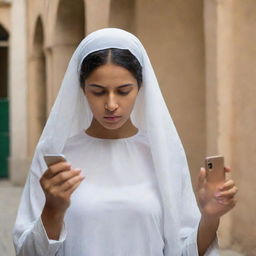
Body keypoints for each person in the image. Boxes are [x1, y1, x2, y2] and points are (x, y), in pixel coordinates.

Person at [12, 28, 238, 256]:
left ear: (140, 87)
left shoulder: (161, 155)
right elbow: (26, 252)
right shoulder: (58, 159)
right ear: (83, 90)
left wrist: (210, 217)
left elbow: (182, 250)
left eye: (123, 91)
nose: (111, 104)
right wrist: (52, 210)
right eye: (98, 92)